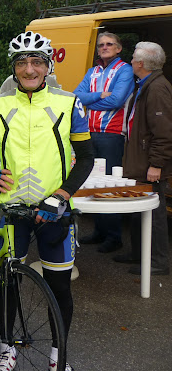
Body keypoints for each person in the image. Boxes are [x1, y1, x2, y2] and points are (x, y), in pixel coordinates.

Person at [0, 31, 94, 371]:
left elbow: (87, 157)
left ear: (48, 66)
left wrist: (61, 195)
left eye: (36, 62)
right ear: (14, 68)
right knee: (7, 283)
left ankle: (58, 356)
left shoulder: (69, 103)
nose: (29, 69)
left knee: (59, 287)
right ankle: (7, 348)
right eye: (21, 63)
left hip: (54, 213)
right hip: (12, 209)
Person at [113, 41, 172, 275]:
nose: (130, 62)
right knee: (138, 209)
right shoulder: (146, 84)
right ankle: (138, 253)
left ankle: (158, 262)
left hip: (150, 165)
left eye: (133, 59)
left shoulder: (157, 88)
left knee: (154, 213)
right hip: (141, 162)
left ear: (141, 63)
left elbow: (164, 132)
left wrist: (156, 164)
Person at [74, 32, 135, 253]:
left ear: (119, 48)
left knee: (109, 184)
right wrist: (100, 95)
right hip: (89, 132)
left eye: (109, 44)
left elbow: (117, 100)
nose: (104, 47)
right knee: (92, 181)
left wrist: (90, 100)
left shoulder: (125, 70)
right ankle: (99, 231)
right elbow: (76, 96)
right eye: (101, 45)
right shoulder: (93, 71)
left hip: (112, 134)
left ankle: (114, 236)